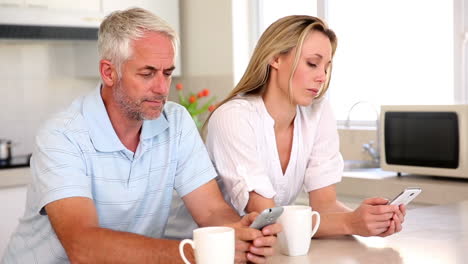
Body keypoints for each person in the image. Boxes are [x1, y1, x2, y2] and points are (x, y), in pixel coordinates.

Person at [1, 8, 280, 264]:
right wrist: (198, 253)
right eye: (147, 74)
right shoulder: (63, 136)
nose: (162, 88)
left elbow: (210, 211)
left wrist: (240, 235)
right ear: (109, 72)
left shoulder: (176, 122)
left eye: (167, 73)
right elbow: (83, 246)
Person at [205, 15, 406, 238]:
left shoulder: (318, 113)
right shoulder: (234, 117)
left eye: (326, 67)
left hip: (264, 248)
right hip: (205, 250)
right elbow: (265, 216)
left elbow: (325, 206)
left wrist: (369, 222)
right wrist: (351, 223)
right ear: (275, 59)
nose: (322, 77)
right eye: (312, 63)